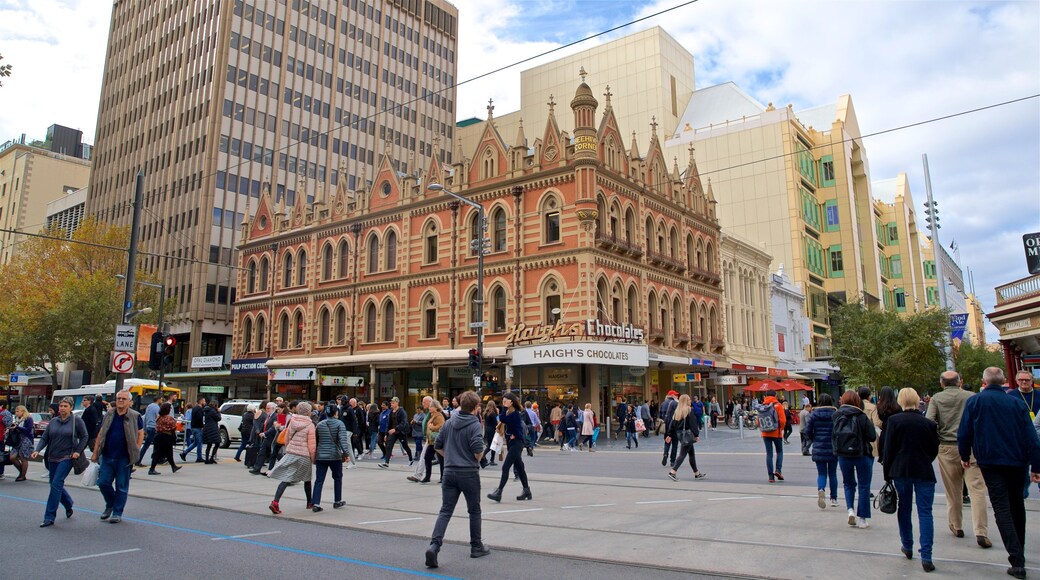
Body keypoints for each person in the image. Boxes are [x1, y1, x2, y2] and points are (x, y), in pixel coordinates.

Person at [959, 367, 1040, 579]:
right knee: (1016, 505)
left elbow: (965, 431)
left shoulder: (975, 402)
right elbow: (1031, 436)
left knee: (1001, 508)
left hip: (990, 460)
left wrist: (964, 455)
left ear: (984, 381)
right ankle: (1018, 550)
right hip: (1016, 460)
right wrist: (1036, 466)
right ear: (1004, 380)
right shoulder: (1015, 402)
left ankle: (1016, 558)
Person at [926, 371, 991, 548]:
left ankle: (956, 525)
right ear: (960, 382)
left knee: (953, 489)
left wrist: (940, 434)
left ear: (942, 383)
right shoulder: (972, 397)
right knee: (977, 489)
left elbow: (930, 421)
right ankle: (981, 530)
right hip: (971, 447)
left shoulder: (937, 399)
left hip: (947, 446)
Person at [425, 391, 489, 568]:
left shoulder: (449, 422)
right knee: (474, 510)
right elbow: (477, 449)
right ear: (475, 408)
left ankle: (434, 545)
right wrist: (474, 459)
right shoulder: (474, 424)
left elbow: (437, 445)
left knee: (445, 510)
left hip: (450, 471)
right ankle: (476, 546)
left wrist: (450, 457)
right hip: (468, 472)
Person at [879, 388, 939, 572]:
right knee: (925, 512)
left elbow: (888, 450)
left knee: (904, 508)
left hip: (901, 469)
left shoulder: (894, 422)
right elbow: (933, 449)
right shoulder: (928, 423)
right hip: (924, 469)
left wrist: (887, 473)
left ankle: (907, 544)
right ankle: (927, 555)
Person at [33, 398, 87, 527]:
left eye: (65, 406)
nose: (62, 408)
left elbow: (85, 436)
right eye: (61, 406)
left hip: (67, 457)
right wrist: (37, 450)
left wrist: (78, 451)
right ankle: (68, 503)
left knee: (57, 483)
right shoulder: (53, 422)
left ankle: (49, 517)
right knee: (54, 484)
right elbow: (45, 437)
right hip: (52, 457)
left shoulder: (76, 421)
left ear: (71, 408)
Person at [92, 390, 143, 524]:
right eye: (118, 398)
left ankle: (117, 512)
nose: (120, 401)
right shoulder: (109, 414)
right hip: (108, 456)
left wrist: (136, 449)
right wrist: (96, 452)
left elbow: (140, 433)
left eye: (123, 399)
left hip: (124, 457)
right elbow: (102, 433)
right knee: (103, 482)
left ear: (129, 402)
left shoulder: (135, 416)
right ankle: (110, 504)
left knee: (121, 486)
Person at [833, 390, 877, 529]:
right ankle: (862, 519)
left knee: (848, 483)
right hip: (862, 454)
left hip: (843, 454)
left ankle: (850, 510)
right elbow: (872, 436)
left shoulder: (836, 415)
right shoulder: (861, 416)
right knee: (864, 486)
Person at [268, 401, 317, 514]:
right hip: (304, 455)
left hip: (291, 453)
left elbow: (287, 438)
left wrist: (289, 447)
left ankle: (275, 502)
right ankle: (309, 502)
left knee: (286, 478)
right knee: (307, 479)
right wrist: (313, 458)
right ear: (308, 412)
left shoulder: (292, 421)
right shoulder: (310, 425)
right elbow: (312, 445)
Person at [487, 392, 532, 502]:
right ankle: (527, 491)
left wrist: (504, 408)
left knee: (505, 467)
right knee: (520, 467)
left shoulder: (515, 414)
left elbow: (502, 418)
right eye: (503, 400)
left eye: (506, 400)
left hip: (517, 443)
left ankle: (499, 492)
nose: (503, 402)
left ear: (511, 402)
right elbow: (503, 420)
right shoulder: (508, 412)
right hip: (512, 442)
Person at [803, 394, 838, 509]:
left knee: (821, 473)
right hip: (833, 447)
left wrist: (814, 439)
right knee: (832, 473)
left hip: (819, 447)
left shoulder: (813, 415)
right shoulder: (835, 414)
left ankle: (821, 489)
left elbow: (807, 431)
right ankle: (834, 498)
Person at [312, 404, 348, 512]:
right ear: (336, 412)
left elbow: (316, 440)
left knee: (319, 480)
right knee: (337, 478)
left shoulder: (320, 424)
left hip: (321, 455)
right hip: (334, 456)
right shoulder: (339, 424)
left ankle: (316, 503)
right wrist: (346, 453)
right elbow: (342, 440)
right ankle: (337, 500)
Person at [666, 394, 705, 481]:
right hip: (688, 434)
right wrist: (696, 434)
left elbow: (672, 424)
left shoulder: (678, 411)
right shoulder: (689, 410)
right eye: (688, 399)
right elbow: (693, 424)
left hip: (680, 434)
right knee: (682, 454)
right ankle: (673, 472)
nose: (690, 400)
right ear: (685, 401)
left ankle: (697, 473)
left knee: (691, 453)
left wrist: (669, 434)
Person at [411, 398, 446, 484]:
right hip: (431, 441)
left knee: (441, 459)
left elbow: (441, 426)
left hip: (437, 440)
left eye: (431, 407)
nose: (429, 408)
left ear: (436, 407)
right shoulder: (432, 415)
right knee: (427, 457)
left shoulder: (439, 416)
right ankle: (427, 476)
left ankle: (443, 477)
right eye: (429, 407)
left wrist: (431, 427)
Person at [757, 389, 787, 483]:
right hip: (776, 433)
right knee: (779, 451)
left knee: (769, 454)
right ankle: (778, 470)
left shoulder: (763, 406)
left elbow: (758, 421)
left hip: (765, 433)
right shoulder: (778, 405)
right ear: (775, 395)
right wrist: (780, 429)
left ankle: (770, 476)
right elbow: (783, 421)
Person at [380, 397, 413, 468]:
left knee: (405, 446)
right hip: (393, 432)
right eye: (391, 403)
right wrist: (386, 434)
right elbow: (389, 424)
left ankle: (410, 459)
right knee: (389, 445)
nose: (391, 404)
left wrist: (395, 429)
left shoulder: (402, 411)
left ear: (397, 403)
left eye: (393, 403)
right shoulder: (391, 412)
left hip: (401, 432)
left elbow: (403, 423)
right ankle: (386, 462)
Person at [148, 403, 181, 475]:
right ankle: (152, 469)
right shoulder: (169, 418)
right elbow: (174, 427)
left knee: (158, 452)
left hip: (158, 435)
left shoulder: (159, 417)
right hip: (166, 436)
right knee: (168, 452)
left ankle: (173, 466)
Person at [9, 405, 36, 481]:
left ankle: (22, 475)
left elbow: (28, 430)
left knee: (23, 457)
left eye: (18, 411)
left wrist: (17, 427)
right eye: (15, 411)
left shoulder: (28, 419)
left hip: (26, 439)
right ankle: (21, 471)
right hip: (18, 440)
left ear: (23, 412)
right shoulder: (17, 419)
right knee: (12, 457)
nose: (16, 413)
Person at [136, 394, 163, 467]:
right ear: (159, 399)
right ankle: (139, 460)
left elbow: (145, 417)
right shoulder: (157, 407)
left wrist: (144, 428)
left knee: (147, 445)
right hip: (153, 427)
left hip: (148, 426)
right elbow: (158, 417)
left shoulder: (149, 406)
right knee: (153, 445)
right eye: (161, 399)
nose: (162, 401)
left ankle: (139, 460)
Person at [181, 396, 206, 462]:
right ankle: (199, 457)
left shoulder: (194, 408)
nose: (205, 402)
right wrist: (202, 426)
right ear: (201, 401)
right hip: (197, 427)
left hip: (193, 427)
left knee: (195, 442)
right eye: (204, 401)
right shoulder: (200, 409)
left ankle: (184, 453)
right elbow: (199, 419)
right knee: (199, 443)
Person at [660, 391, 679, 466]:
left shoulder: (663, 403)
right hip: (674, 425)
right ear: (672, 395)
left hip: (666, 425)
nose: (677, 396)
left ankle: (665, 454)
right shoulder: (675, 404)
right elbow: (678, 415)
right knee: (675, 443)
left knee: (667, 441)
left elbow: (660, 415)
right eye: (676, 395)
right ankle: (672, 461)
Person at [482, 400, 499, 465]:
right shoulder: (493, 413)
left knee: (491, 445)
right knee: (491, 446)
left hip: (487, 430)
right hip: (492, 430)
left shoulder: (485, 413)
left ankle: (491, 459)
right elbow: (495, 422)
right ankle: (483, 456)